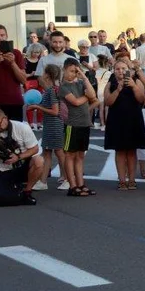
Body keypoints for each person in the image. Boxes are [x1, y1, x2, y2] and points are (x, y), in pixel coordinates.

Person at [0, 106, 44, 205]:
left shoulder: (21, 127)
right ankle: (18, 195)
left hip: (23, 164)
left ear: (5, 118)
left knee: (39, 160)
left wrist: (18, 157)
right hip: (4, 168)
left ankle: (27, 192)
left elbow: (35, 148)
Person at [103, 59, 145, 190]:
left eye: (123, 68)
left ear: (128, 69)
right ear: (114, 70)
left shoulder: (137, 81)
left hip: (133, 118)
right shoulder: (111, 83)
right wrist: (117, 89)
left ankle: (132, 180)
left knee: (132, 151)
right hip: (117, 120)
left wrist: (133, 86)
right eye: (118, 69)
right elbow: (108, 102)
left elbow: (141, 100)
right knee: (120, 151)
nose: (121, 71)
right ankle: (122, 180)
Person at [25, 64, 68, 191]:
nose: (42, 75)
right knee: (47, 152)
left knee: (59, 153)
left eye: (44, 73)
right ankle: (43, 181)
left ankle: (67, 179)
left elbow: (55, 111)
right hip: (51, 125)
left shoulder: (51, 91)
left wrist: (37, 107)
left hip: (54, 124)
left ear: (48, 75)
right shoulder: (54, 89)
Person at [60, 58, 96, 196]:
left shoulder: (80, 83)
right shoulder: (64, 87)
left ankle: (81, 183)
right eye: (71, 71)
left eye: (76, 71)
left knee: (80, 155)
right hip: (72, 125)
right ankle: (72, 185)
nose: (73, 74)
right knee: (70, 155)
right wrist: (86, 97)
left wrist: (84, 77)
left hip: (84, 123)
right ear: (64, 70)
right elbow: (75, 102)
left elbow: (92, 95)